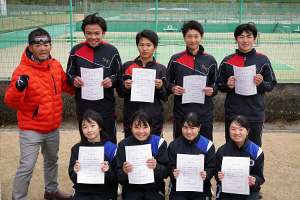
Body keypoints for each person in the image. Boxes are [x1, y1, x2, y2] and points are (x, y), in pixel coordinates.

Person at [4, 28, 75, 200]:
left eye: (46, 44)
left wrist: (86, 85)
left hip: (53, 126)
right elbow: (11, 102)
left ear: (51, 46)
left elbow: (67, 87)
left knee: (52, 161)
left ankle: (51, 190)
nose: (42, 48)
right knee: (27, 166)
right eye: (37, 44)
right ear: (30, 48)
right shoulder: (22, 71)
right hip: (31, 128)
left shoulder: (55, 65)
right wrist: (18, 87)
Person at [217, 23, 277, 148]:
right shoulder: (227, 61)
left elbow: (271, 84)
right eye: (241, 37)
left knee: (254, 149)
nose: (245, 40)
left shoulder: (263, 60)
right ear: (236, 39)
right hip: (233, 113)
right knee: (231, 148)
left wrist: (261, 84)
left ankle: (254, 168)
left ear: (254, 39)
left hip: (255, 114)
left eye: (249, 37)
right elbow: (219, 85)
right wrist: (228, 85)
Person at [66, 12, 122, 144]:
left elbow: (119, 74)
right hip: (84, 108)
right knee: (87, 143)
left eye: (97, 33)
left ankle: (111, 166)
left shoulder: (112, 51)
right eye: (88, 33)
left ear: (103, 33)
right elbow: (69, 73)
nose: (93, 37)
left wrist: (112, 80)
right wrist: (74, 79)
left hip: (106, 109)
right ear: (84, 33)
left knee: (110, 144)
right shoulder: (76, 50)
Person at [167, 20, 218, 141]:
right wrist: (172, 88)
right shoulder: (175, 59)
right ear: (184, 37)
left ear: (202, 37)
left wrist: (212, 89)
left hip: (204, 114)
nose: (193, 40)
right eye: (189, 36)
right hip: (181, 113)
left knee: (205, 149)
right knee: (180, 149)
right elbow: (166, 82)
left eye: (196, 36)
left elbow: (216, 82)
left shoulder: (210, 60)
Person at [117, 29, 168, 138]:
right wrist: (125, 87)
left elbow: (165, 96)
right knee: (132, 151)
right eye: (141, 45)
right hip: (132, 118)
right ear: (137, 46)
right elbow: (120, 93)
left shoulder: (161, 69)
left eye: (148, 45)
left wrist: (160, 88)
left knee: (154, 152)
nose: (144, 48)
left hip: (154, 119)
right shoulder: (127, 66)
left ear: (155, 47)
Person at [116, 110, 169, 200]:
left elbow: (166, 172)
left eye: (145, 127)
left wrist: (157, 167)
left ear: (151, 128)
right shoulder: (123, 145)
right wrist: (124, 172)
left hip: (154, 188)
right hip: (131, 188)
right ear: (131, 128)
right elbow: (118, 175)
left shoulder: (159, 143)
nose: (141, 131)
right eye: (136, 127)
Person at [68, 110, 118, 200]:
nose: (89, 130)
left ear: (100, 127)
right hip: (83, 191)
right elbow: (73, 178)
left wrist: (108, 171)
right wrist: (75, 173)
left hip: (105, 191)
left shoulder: (112, 148)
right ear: (81, 129)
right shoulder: (76, 149)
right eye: (85, 127)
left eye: (92, 125)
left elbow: (115, 180)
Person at [168, 112, 216, 200]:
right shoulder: (173, 145)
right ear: (181, 127)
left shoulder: (208, 145)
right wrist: (173, 172)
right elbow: (169, 166)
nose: (188, 132)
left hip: (201, 187)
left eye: (192, 128)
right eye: (185, 127)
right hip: (179, 187)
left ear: (199, 127)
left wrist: (207, 174)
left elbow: (212, 167)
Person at [215, 115, 265, 200]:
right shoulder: (222, 151)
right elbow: (216, 174)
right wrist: (219, 176)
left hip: (249, 192)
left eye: (241, 129)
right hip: (227, 193)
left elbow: (260, 177)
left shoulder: (257, 152)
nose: (237, 133)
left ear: (247, 131)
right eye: (233, 129)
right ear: (229, 130)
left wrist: (255, 180)